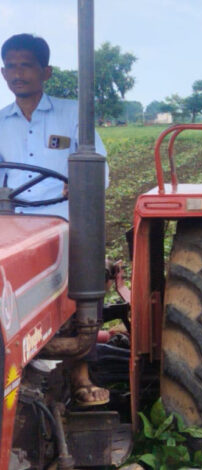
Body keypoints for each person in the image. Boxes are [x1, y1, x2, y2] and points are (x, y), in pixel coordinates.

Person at [0, 34, 109, 406]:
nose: (17, 73)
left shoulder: (72, 114)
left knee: (81, 268)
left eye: (26, 65)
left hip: (64, 221)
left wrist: (76, 185)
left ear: (45, 71)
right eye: (10, 66)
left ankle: (80, 372)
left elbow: (99, 171)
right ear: (2, 73)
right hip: (14, 222)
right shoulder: (0, 123)